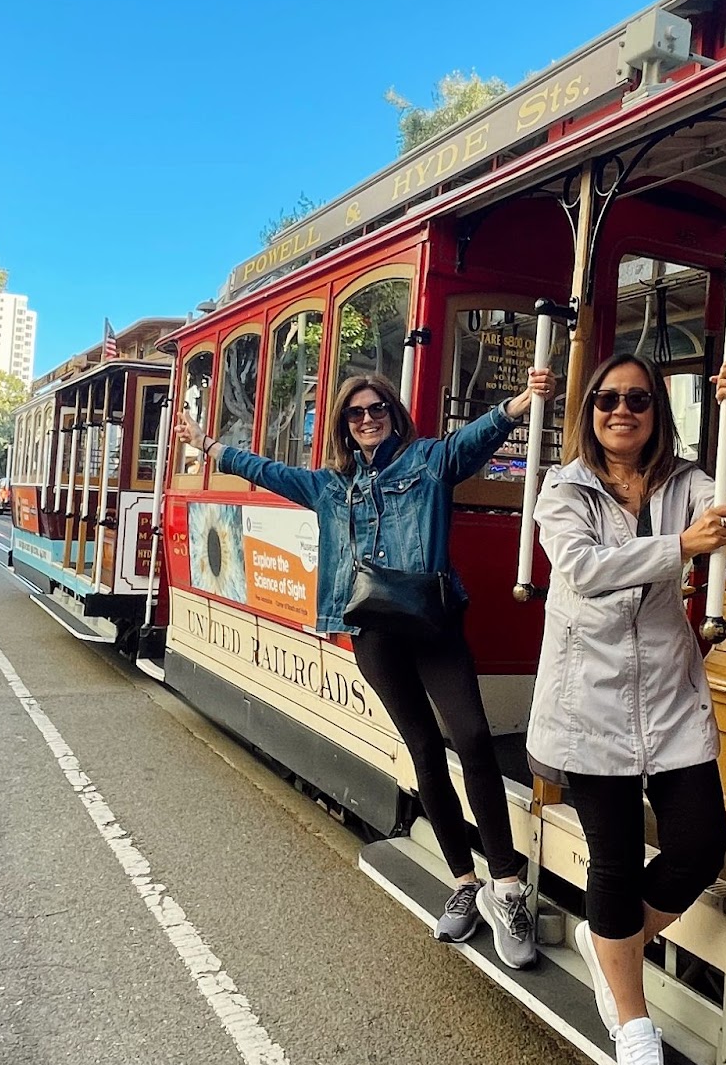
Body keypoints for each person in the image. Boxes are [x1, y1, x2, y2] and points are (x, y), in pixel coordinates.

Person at [175, 364, 556, 970]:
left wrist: (517, 405)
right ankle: (464, 880)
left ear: (393, 413)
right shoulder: (331, 486)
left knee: (475, 740)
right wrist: (210, 446)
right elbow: (268, 472)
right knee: (424, 750)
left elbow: (472, 440)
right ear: (344, 426)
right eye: (356, 413)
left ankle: (505, 886)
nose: (368, 418)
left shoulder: (428, 462)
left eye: (377, 408)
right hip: (373, 634)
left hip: (433, 623)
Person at [526, 352, 726, 1065]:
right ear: (588, 412)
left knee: (698, 845)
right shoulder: (563, 489)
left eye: (637, 400)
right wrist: (680, 550)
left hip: (666, 691)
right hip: (589, 698)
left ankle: (611, 944)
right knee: (618, 859)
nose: (620, 411)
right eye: (606, 400)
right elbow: (584, 568)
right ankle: (633, 1026)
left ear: (657, 411)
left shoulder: (684, 482)